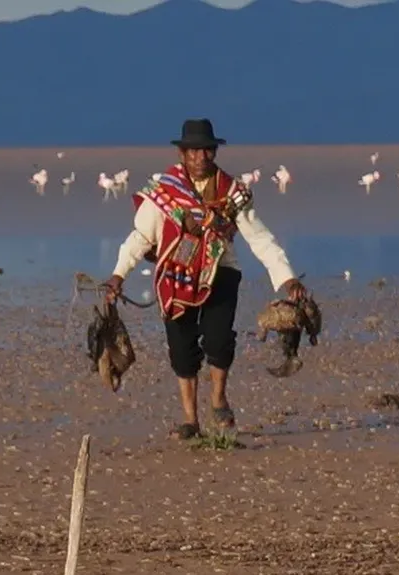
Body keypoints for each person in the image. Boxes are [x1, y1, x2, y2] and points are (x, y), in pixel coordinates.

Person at [103, 118, 306, 439]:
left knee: (219, 340)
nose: (200, 158)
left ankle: (218, 399)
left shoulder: (233, 193)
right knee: (181, 349)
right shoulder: (164, 193)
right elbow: (141, 237)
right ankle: (189, 420)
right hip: (175, 276)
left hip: (221, 272)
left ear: (214, 153)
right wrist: (117, 276)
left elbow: (260, 238)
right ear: (182, 154)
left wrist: (287, 279)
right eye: (194, 151)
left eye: (206, 151)